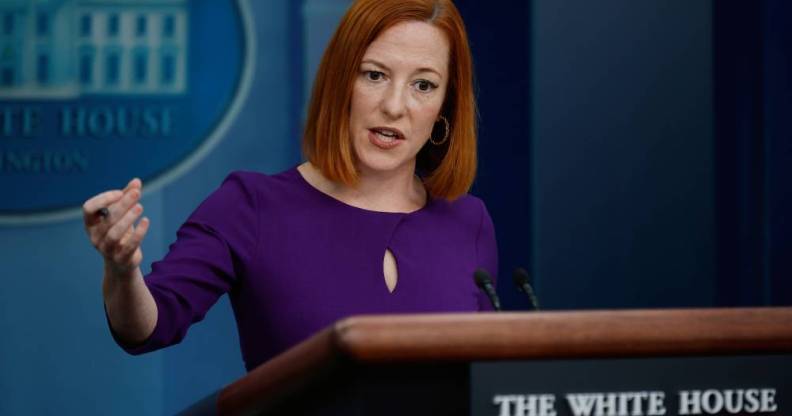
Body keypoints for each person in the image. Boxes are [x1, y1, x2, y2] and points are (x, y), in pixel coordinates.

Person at [83, 0, 498, 372]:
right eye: (374, 75)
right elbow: (149, 324)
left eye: (423, 85)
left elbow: (490, 373)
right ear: (341, 85)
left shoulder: (468, 221)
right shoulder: (251, 206)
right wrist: (121, 272)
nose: (394, 105)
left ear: (445, 107)